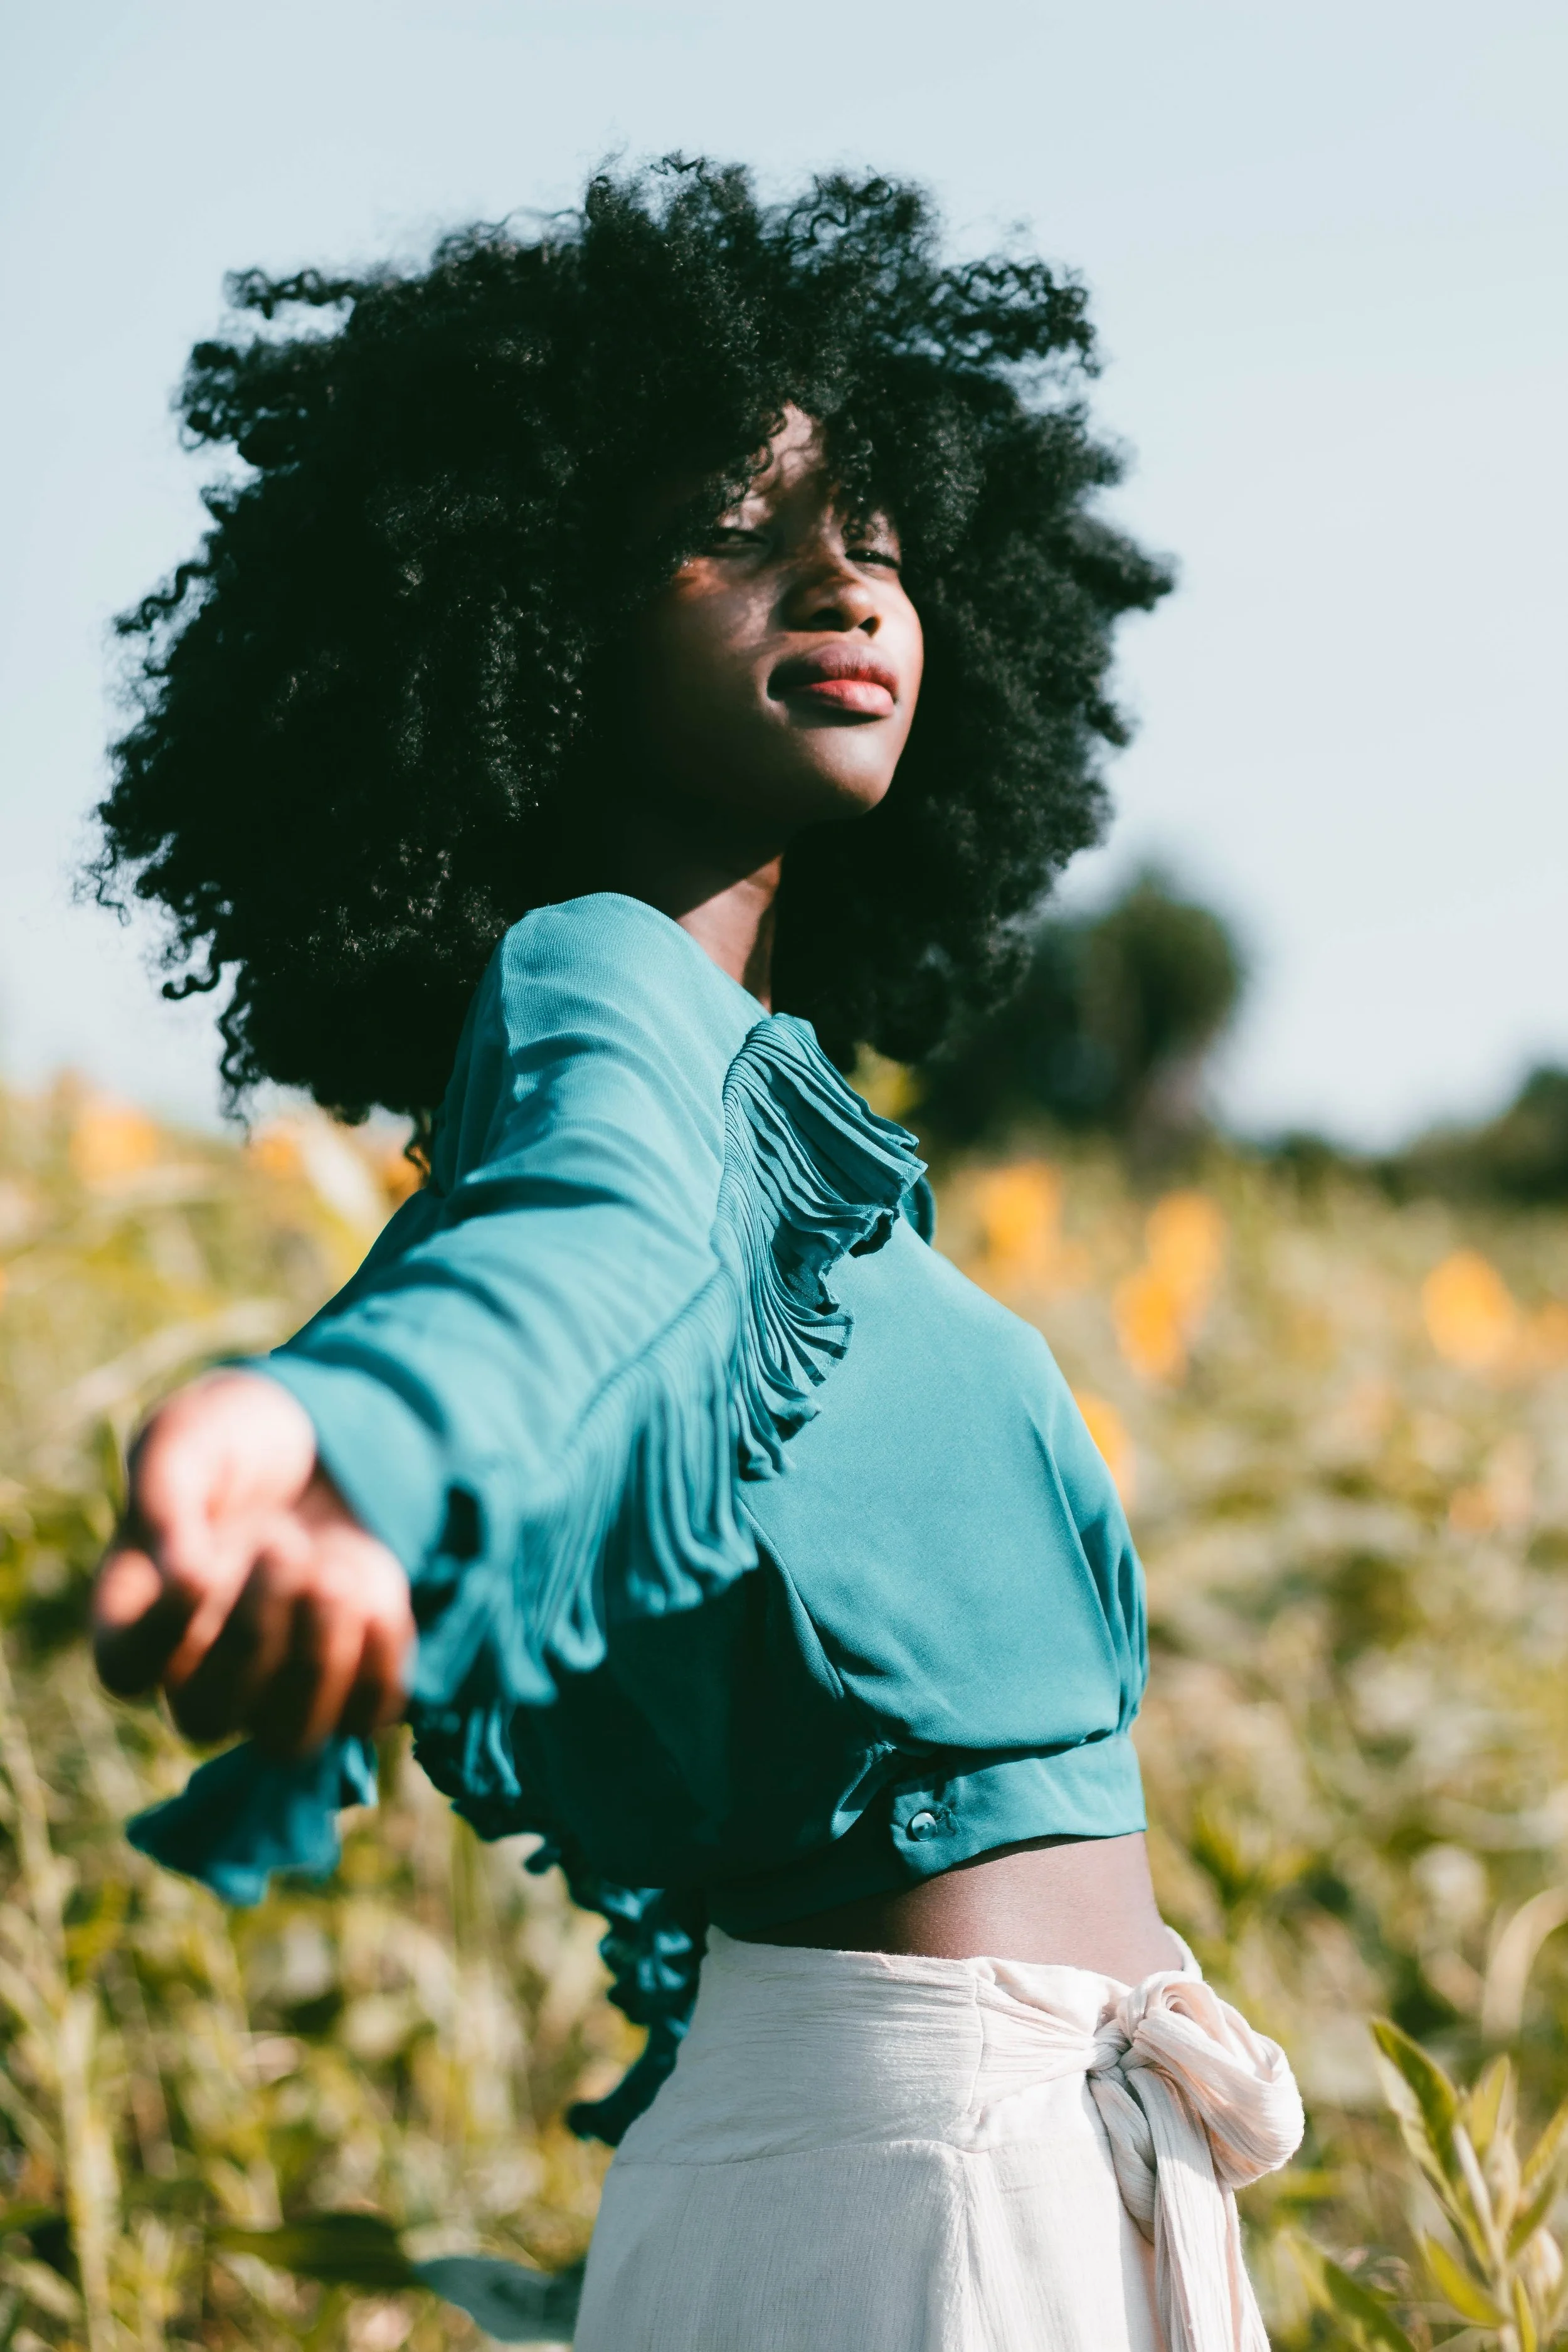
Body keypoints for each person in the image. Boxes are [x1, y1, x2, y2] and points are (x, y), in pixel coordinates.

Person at [91, 159, 1302, 2350]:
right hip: (924, 2202)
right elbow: (567, 1266)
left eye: (886, 539)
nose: (840, 575)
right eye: (736, 528)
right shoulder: (606, 997)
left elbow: (571, 1278)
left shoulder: (734, 1082)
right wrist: (343, 1442)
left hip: (943, 2171)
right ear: (537, 612)